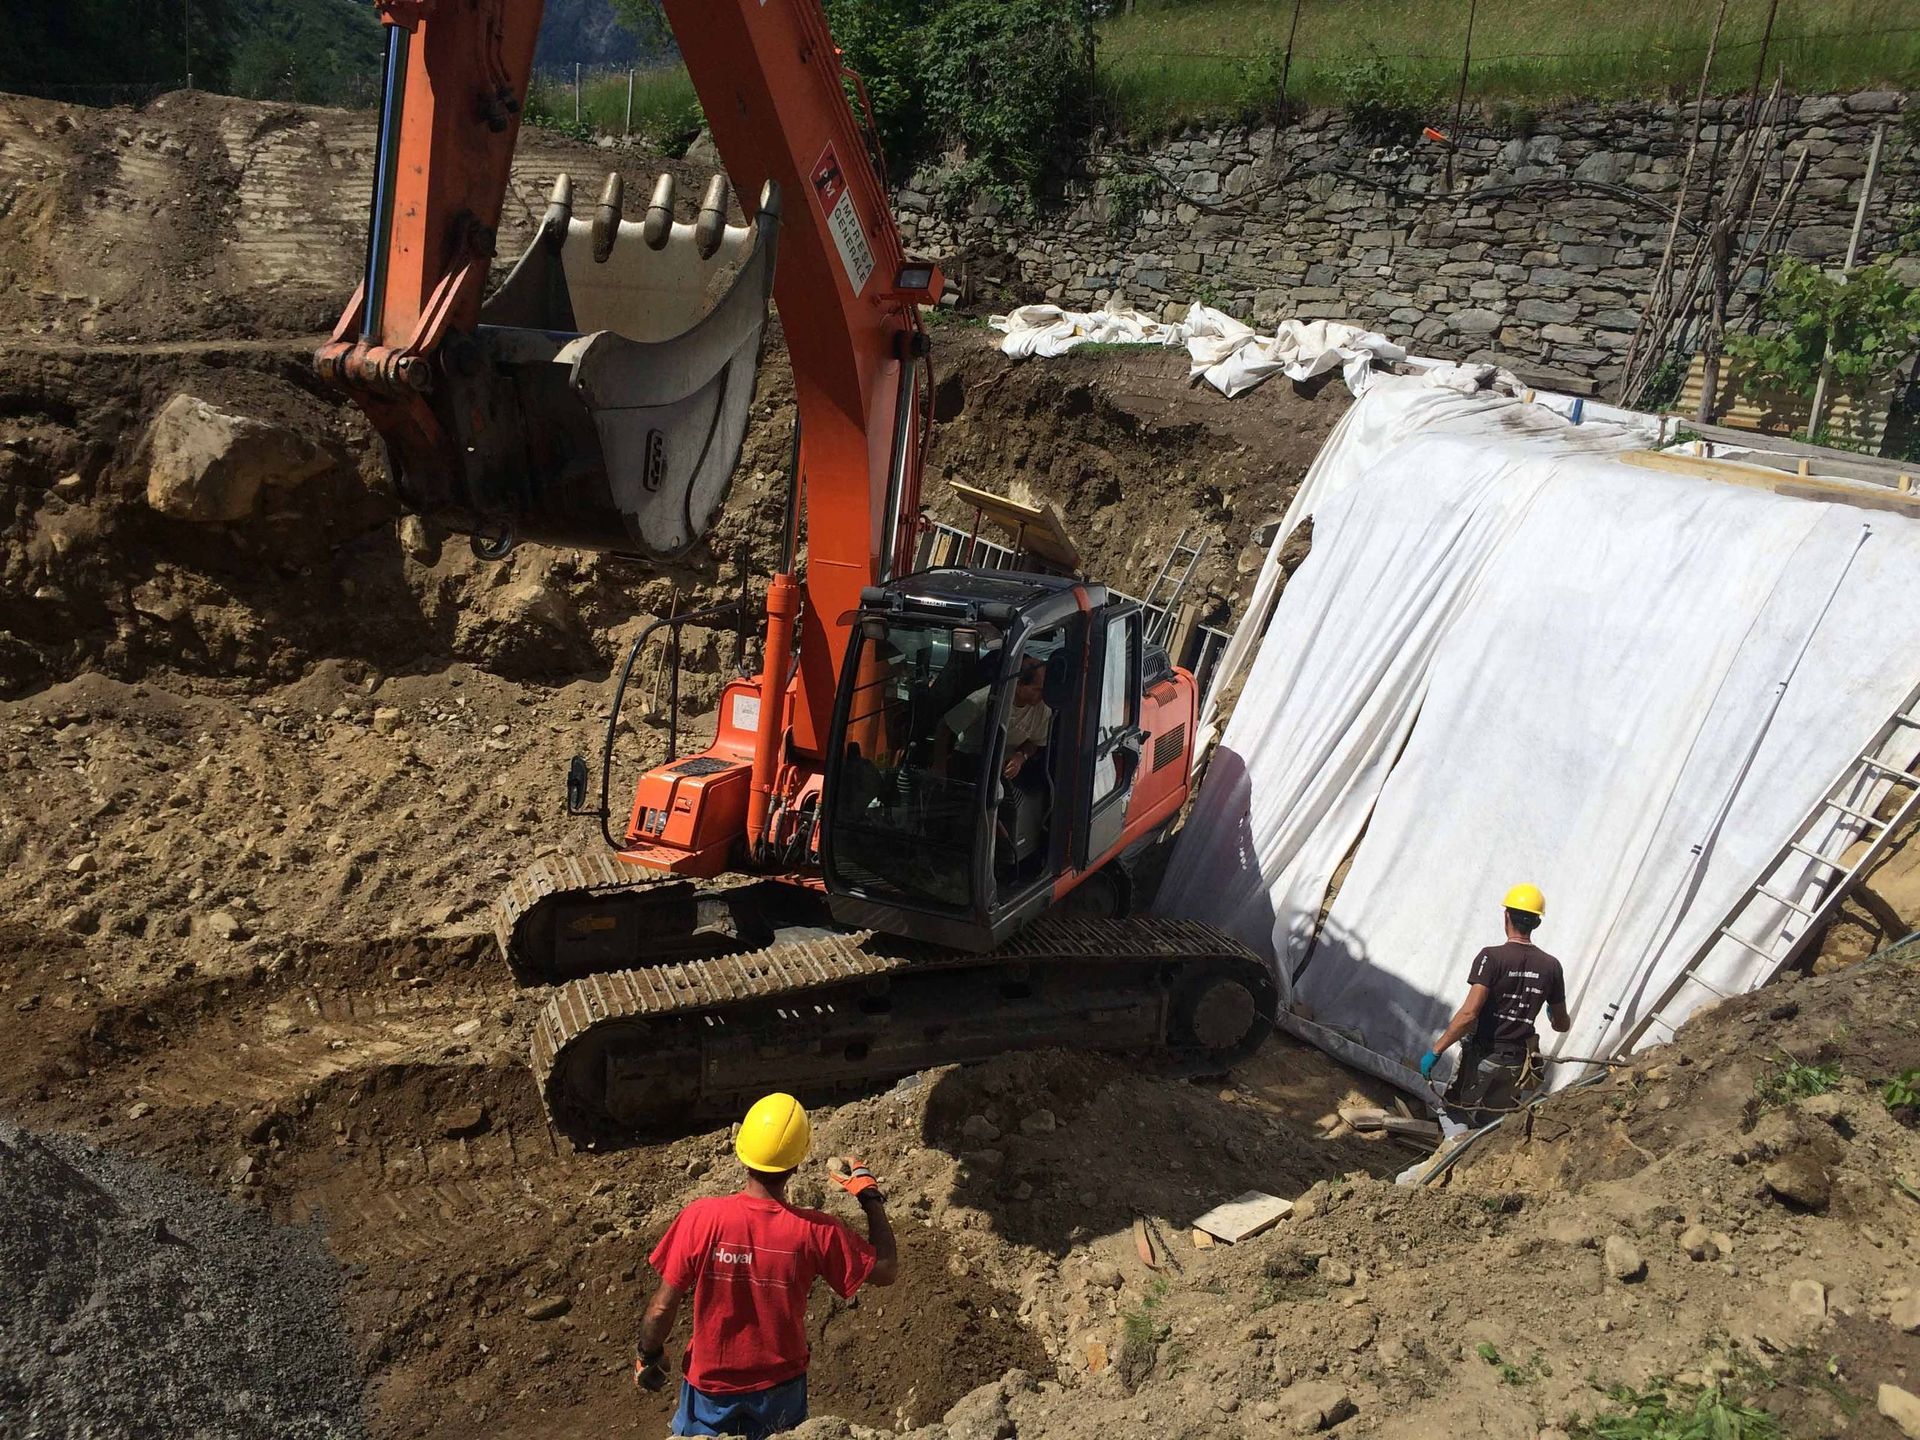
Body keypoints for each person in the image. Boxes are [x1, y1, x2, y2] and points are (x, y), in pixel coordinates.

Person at [633, 1092, 899, 1439]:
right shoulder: (816, 1231)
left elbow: (660, 1309)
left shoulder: (702, 1217)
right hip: (780, 1389)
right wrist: (870, 1197)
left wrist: (648, 1354)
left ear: (742, 1154)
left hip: (711, 1389)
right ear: (797, 1163)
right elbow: (887, 1268)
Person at [1419, 883, 1569, 1126]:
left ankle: (1447, 1161)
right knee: (1491, 1125)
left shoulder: (1491, 957)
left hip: (1483, 1056)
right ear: (1537, 923)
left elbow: (1469, 1014)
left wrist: (1436, 1050)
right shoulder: (1551, 966)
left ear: (1506, 916)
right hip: (1517, 1064)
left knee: (1454, 1112)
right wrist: (1552, 1011)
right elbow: (1562, 1025)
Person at [935, 654, 1053, 785]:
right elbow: (945, 727)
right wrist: (939, 767)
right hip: (970, 760)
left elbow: (1035, 742)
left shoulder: (1042, 709)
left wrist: (1021, 756)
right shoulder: (984, 699)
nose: (1042, 695)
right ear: (1019, 685)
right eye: (1037, 690)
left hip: (1004, 769)